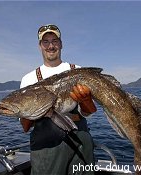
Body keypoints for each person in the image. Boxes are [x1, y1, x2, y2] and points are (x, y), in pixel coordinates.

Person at [20, 24, 97, 175]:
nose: (51, 46)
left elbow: (90, 112)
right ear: (40, 46)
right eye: (46, 42)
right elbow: (25, 126)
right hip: (46, 146)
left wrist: (86, 99)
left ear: (61, 44)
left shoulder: (78, 70)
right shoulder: (29, 79)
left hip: (81, 140)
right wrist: (37, 109)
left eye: (54, 41)